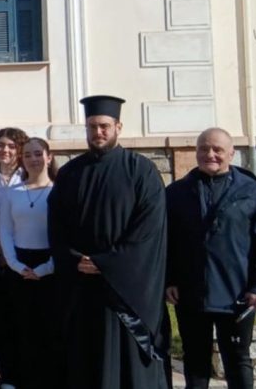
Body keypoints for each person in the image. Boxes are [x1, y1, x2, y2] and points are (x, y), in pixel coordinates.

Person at [48, 95, 170, 389]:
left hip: (124, 289)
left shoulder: (141, 171)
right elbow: (56, 225)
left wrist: (106, 262)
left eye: (104, 126)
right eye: (92, 127)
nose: (97, 133)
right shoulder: (70, 173)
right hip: (81, 286)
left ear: (118, 126)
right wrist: (75, 258)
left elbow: (149, 231)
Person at [166, 128, 256, 389]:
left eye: (217, 150)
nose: (210, 154)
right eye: (204, 149)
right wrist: (170, 279)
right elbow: (166, 242)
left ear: (231, 153)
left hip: (238, 296)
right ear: (196, 152)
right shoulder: (175, 194)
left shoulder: (253, 193)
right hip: (190, 294)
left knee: (237, 360)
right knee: (195, 361)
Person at [0, 137, 58, 389]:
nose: (33, 159)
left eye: (37, 154)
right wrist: (15, 264)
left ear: (48, 156)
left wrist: (47, 267)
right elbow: (5, 232)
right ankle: (15, 379)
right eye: (27, 155)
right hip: (19, 265)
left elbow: (65, 234)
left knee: (48, 325)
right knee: (18, 325)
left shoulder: (58, 191)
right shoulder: (13, 194)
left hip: (50, 265)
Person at [0, 127, 29, 388]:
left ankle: (19, 371)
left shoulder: (27, 178)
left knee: (19, 318)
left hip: (22, 256)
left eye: (12, 146)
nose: (6, 150)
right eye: (1, 145)